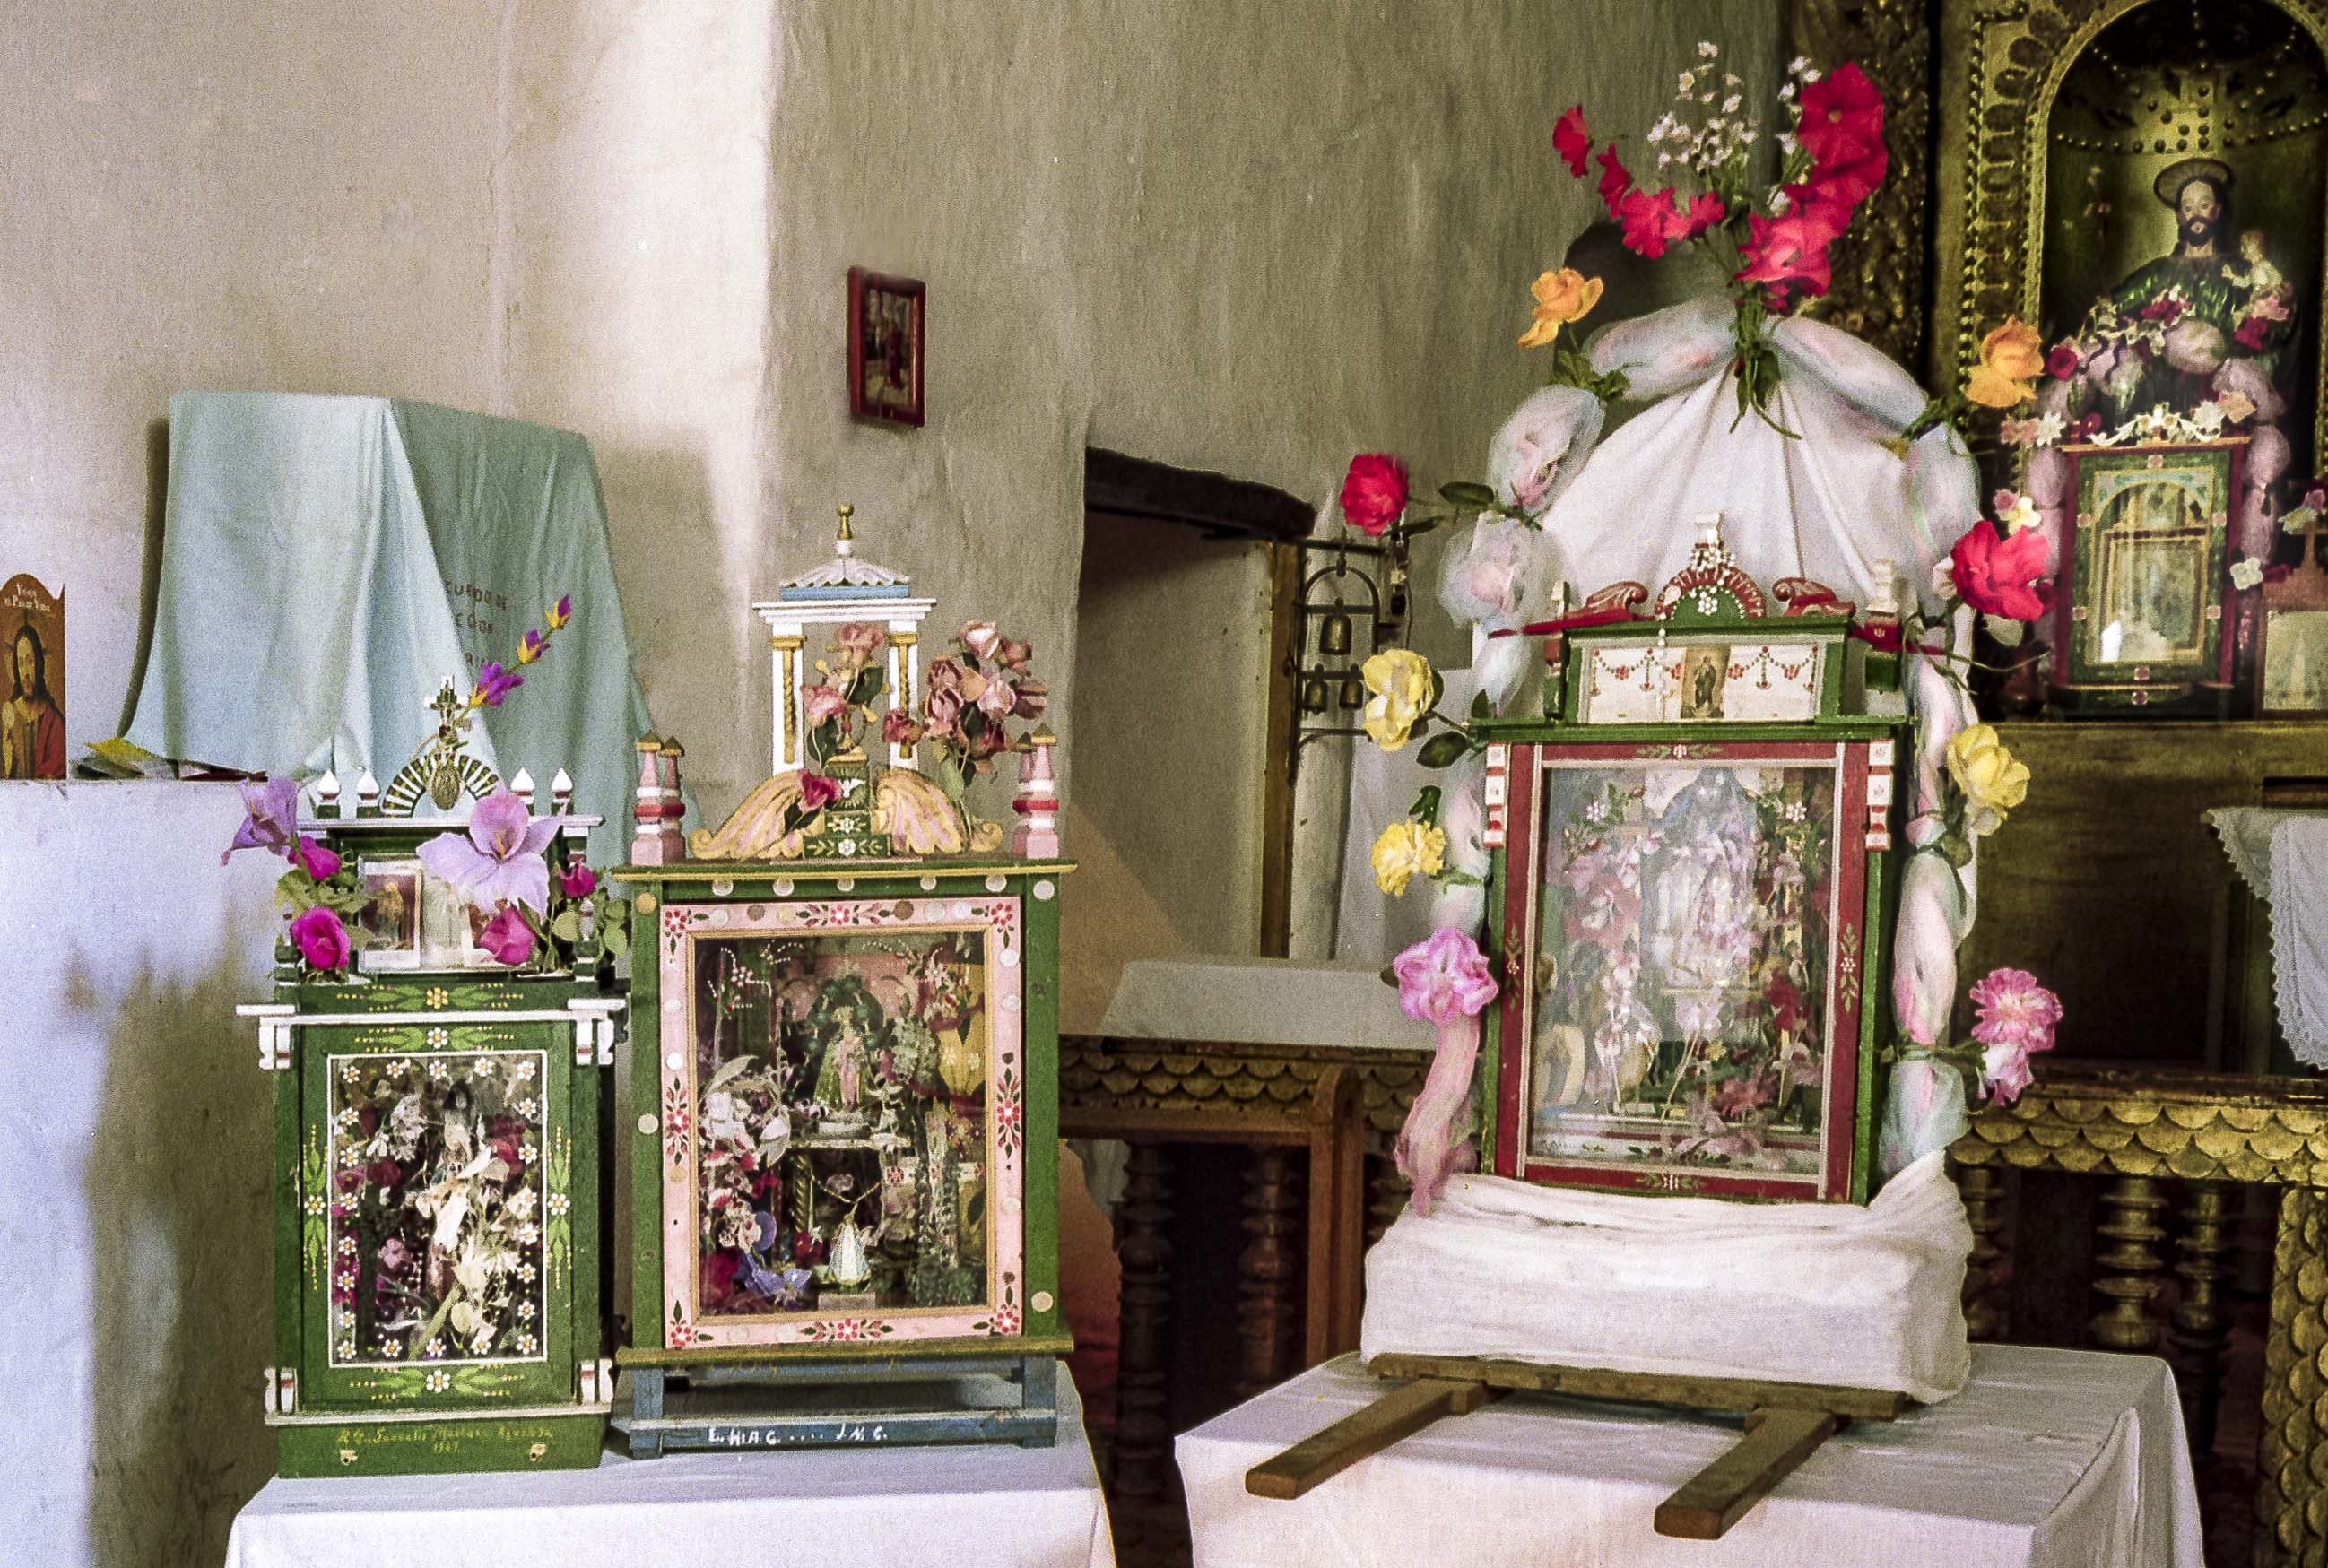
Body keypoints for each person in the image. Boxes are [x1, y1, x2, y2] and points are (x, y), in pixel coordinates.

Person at [2077, 158, 2295, 420]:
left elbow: (2271, 317)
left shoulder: (2241, 269)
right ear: (2179, 217)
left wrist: (2278, 305)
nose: (2196, 215)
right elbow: (2112, 308)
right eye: (2188, 208)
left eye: (2204, 205)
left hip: (2224, 393)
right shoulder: (2158, 272)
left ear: (2217, 211)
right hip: (2162, 397)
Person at [2, 622, 64, 779]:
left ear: (39, 664)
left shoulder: (53, 721)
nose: (26, 674)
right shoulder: (7, 717)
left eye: (30, 661)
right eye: (21, 663)